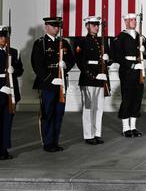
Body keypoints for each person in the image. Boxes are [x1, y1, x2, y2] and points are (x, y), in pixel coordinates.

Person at [31, 17, 75, 152]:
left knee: (59, 113)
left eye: (58, 26)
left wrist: (65, 66)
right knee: (48, 113)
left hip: (61, 82)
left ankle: (55, 141)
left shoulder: (64, 43)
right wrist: (50, 78)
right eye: (54, 26)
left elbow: (71, 59)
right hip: (47, 84)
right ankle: (48, 142)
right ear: (46, 27)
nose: (57, 28)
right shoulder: (41, 43)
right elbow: (37, 65)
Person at [74, 16, 112, 145]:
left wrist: (108, 59)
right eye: (94, 24)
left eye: (97, 25)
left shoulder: (102, 41)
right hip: (88, 79)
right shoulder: (82, 42)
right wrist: (93, 75)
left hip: (101, 78)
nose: (96, 27)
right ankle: (88, 135)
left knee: (99, 108)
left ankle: (96, 133)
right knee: (88, 108)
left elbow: (110, 59)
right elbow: (80, 62)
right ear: (87, 26)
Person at [112, 13, 146, 138]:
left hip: (139, 70)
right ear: (126, 22)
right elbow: (117, 56)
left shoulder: (141, 37)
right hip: (127, 71)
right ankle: (125, 127)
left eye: (135, 20)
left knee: (137, 98)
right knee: (127, 98)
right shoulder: (120, 37)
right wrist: (131, 65)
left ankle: (133, 126)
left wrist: (144, 51)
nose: (134, 22)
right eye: (132, 20)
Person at [0, 25, 24, 160]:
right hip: (0, 91)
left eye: (5, 36)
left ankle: (4, 149)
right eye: (1, 36)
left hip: (11, 93)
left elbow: (20, 71)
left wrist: (14, 69)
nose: (4, 39)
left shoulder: (13, 52)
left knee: (7, 123)